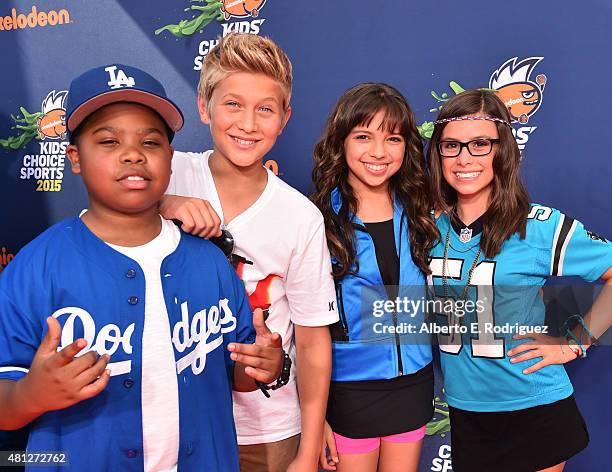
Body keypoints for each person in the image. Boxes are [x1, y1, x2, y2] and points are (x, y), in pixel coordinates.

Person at [0, 64, 284, 472]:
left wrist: (262, 366)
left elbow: (237, 372)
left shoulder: (209, 262)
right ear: (75, 158)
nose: (133, 154)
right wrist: (31, 395)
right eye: (109, 141)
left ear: (171, 158)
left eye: (151, 142)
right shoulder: (36, 268)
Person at [159, 33, 338, 472]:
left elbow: (314, 343)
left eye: (265, 109)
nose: (248, 123)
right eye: (233, 104)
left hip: (267, 431)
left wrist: (308, 445)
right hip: (172, 421)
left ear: (284, 117)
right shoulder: (166, 171)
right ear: (204, 106)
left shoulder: (300, 216)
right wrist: (163, 204)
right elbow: (101, 219)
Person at [426, 89, 612, 472]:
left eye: (480, 144)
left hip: (534, 408)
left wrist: (576, 341)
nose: (464, 158)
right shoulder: (426, 227)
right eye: (452, 146)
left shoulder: (538, 226)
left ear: (503, 150)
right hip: (465, 410)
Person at [311, 83, 440, 472]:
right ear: (341, 140)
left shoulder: (421, 213)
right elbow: (303, 327)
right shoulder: (317, 219)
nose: (379, 153)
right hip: (348, 390)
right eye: (364, 136)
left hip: (413, 383)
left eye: (393, 138)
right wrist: (316, 419)